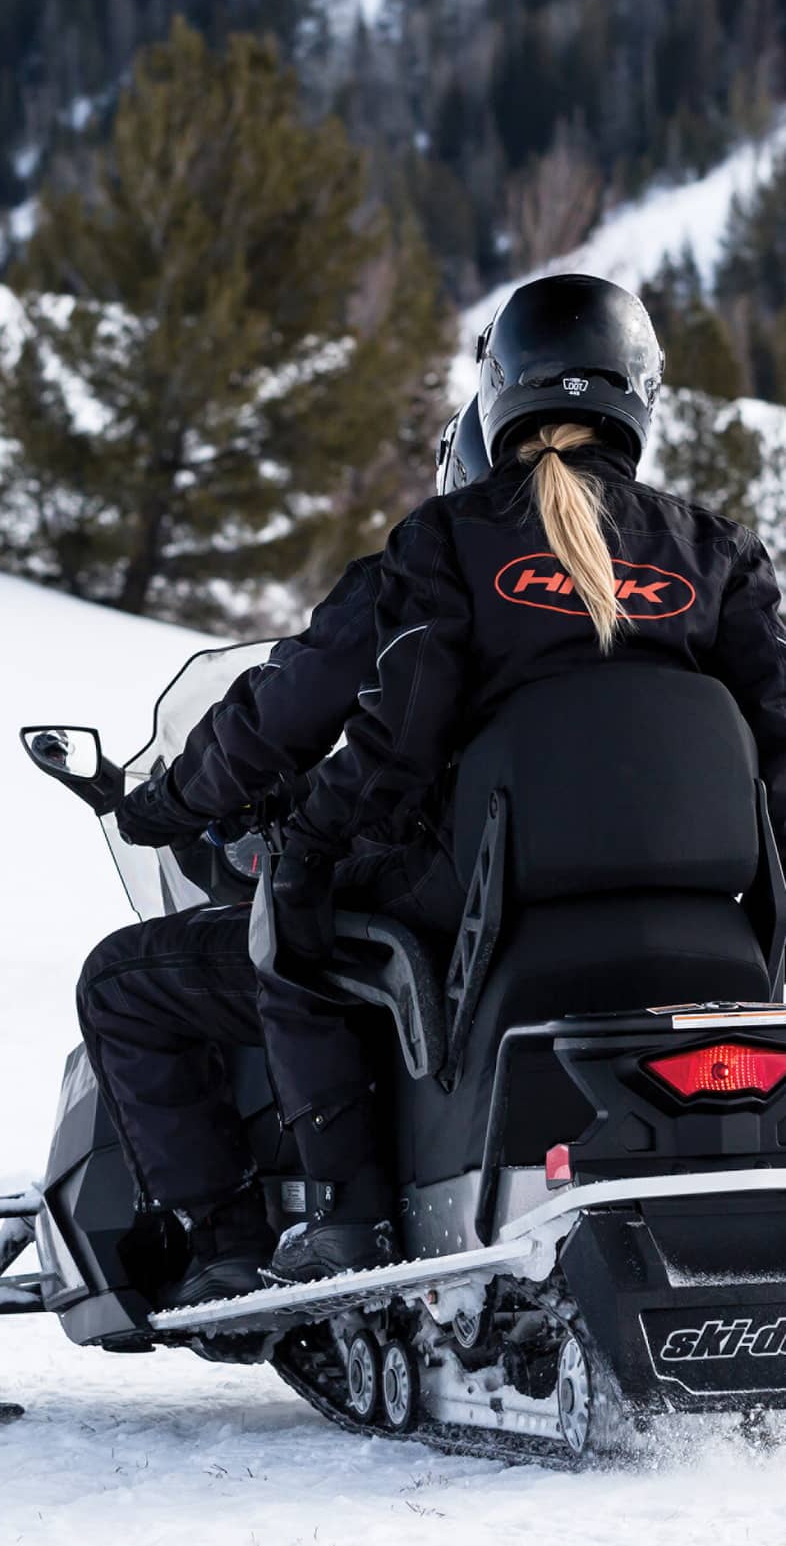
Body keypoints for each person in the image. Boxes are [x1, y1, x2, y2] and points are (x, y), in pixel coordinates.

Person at [261, 271, 786, 1286]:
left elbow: (398, 737)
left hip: (497, 898)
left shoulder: (450, 537)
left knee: (291, 940)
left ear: (499, 385)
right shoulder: (718, 551)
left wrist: (311, 845)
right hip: (705, 914)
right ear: (640, 392)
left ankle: (350, 1221)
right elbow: (782, 743)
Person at [74, 402, 491, 1309]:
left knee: (126, 978)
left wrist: (170, 800)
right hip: (686, 921)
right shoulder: (698, 562)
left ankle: (250, 1244)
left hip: (454, 909)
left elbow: (283, 711)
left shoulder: (435, 554)